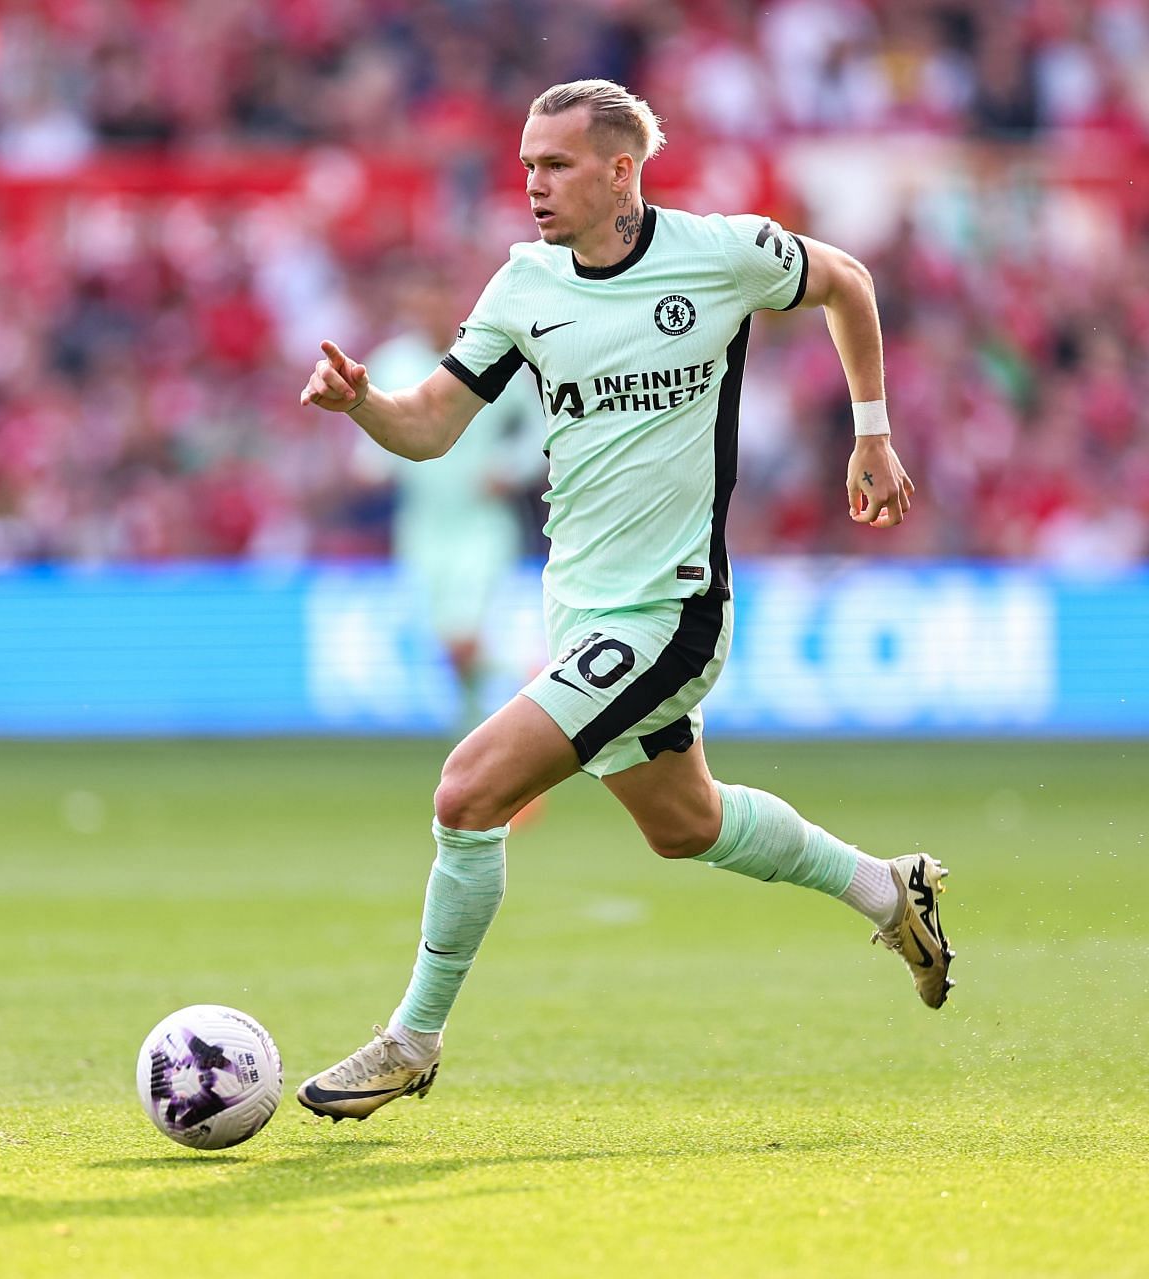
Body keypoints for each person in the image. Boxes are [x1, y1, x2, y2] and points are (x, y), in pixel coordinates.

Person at [293, 79, 949, 1122]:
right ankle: (887, 887)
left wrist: (872, 431)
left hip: (671, 613)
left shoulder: (722, 254)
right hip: (581, 613)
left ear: (619, 170)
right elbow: (429, 427)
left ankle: (411, 1040)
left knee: (467, 793)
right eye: (525, 167)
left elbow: (848, 281)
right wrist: (363, 401)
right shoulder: (524, 288)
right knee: (686, 826)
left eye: (554, 166)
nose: (534, 186)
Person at [354, 265, 545, 732]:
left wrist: (511, 468)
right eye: (420, 300)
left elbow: (544, 424)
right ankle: (478, 731)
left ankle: (539, 683)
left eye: (438, 298)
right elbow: (374, 428)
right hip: (422, 525)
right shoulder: (392, 363)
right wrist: (370, 465)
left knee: (464, 639)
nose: (430, 310)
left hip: (481, 522)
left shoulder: (485, 353)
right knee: (449, 646)